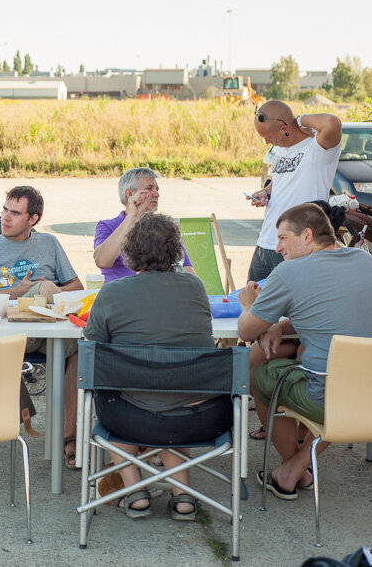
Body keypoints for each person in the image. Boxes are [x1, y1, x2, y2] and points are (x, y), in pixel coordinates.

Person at [238, 203, 372, 500]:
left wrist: (249, 304)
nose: (277, 247)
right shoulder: (366, 261)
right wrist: (277, 325)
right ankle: (295, 469)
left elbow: (246, 331)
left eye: (283, 238)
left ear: (307, 236)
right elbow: (326, 314)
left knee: (259, 372)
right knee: (310, 362)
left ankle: (294, 470)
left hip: (336, 401)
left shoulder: (290, 271)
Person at [84, 212, 226, 520]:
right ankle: (183, 495)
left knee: (123, 395)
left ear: (129, 252)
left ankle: (134, 491)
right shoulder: (195, 287)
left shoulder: (113, 292)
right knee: (171, 393)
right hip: (200, 417)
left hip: (131, 420)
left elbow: (92, 345)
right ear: (175, 250)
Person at [0, 185, 84, 469]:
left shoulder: (49, 243)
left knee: (80, 349)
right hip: (6, 327)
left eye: (15, 213)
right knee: (43, 291)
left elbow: (76, 286)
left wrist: (47, 290)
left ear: (32, 219)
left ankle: (68, 438)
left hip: (46, 324)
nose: (5, 219)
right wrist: (16, 291)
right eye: (4, 210)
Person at [247, 101, 342, 282]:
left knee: (292, 309)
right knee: (252, 305)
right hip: (265, 243)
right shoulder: (281, 150)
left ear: (285, 128)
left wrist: (298, 120)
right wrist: (266, 193)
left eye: (268, 136)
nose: (266, 142)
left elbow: (332, 122)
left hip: (296, 248)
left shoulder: (318, 150)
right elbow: (281, 180)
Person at [93, 167, 195, 282]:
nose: (157, 194)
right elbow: (102, 261)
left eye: (157, 189)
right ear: (130, 194)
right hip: (120, 295)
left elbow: (187, 271)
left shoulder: (163, 227)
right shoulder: (108, 226)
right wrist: (133, 216)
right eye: (149, 189)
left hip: (156, 294)